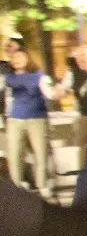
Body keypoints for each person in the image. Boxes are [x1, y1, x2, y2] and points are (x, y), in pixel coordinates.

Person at [5, 48, 58, 194]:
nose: (16, 60)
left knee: (40, 152)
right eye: (13, 58)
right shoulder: (8, 78)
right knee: (15, 153)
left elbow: (50, 93)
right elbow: (6, 97)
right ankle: (16, 186)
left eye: (20, 57)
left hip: (37, 118)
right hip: (15, 119)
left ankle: (42, 185)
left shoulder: (38, 76)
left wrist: (57, 92)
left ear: (28, 58)